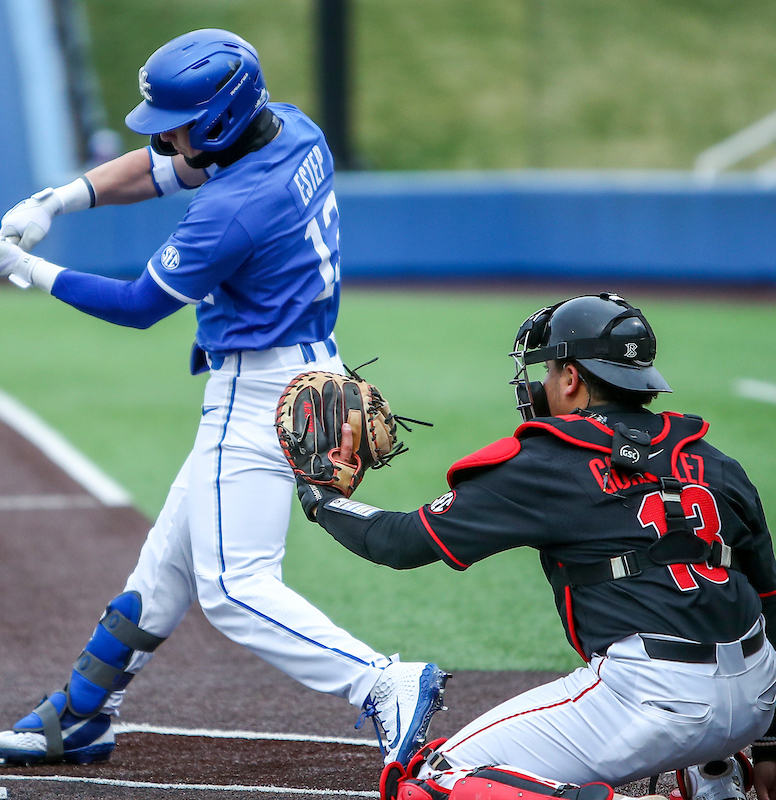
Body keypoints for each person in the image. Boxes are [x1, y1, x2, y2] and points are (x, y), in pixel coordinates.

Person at [0, 29, 447, 767]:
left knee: (233, 587)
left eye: (179, 124)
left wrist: (28, 269)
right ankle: (83, 712)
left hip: (257, 393)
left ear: (220, 120)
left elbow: (137, 305)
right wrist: (56, 200)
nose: (165, 138)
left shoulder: (234, 208)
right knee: (164, 570)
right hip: (309, 372)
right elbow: (163, 169)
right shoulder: (292, 130)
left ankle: (382, 682)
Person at [293, 292, 776, 800]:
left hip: (651, 700)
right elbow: (769, 599)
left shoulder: (548, 461)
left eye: (548, 370)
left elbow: (401, 542)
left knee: (432, 780)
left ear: (571, 378)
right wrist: (770, 743)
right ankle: (714, 778)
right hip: (756, 697)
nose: (541, 384)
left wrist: (320, 497)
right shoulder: (716, 461)